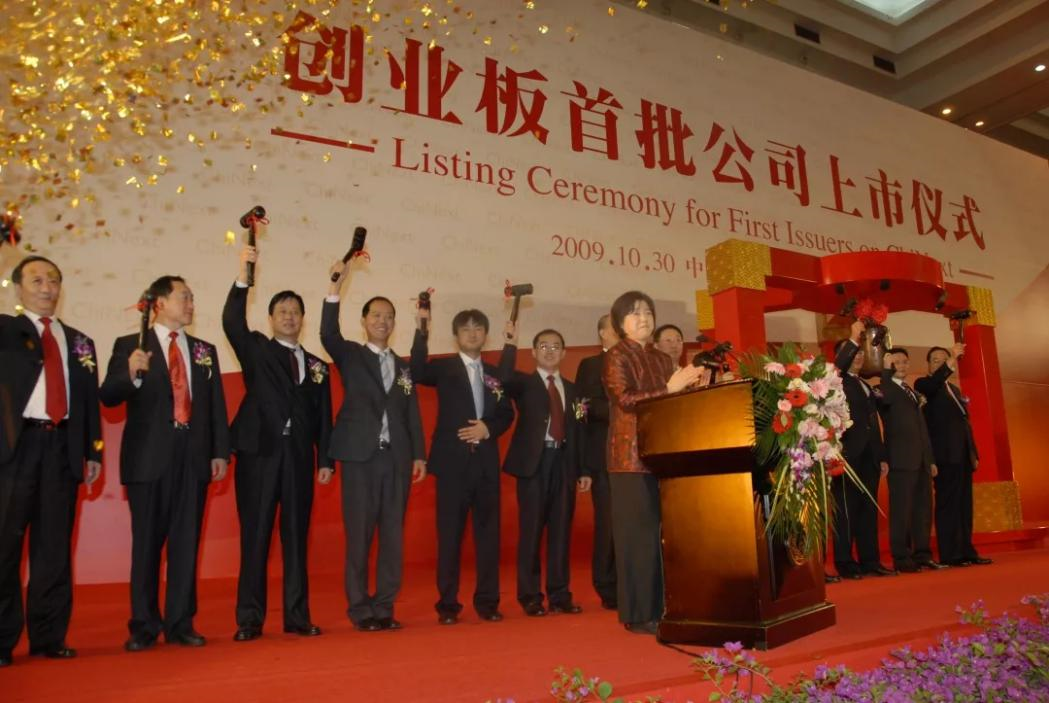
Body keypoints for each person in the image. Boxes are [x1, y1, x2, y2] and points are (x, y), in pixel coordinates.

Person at [100, 275, 230, 651]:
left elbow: (215, 405)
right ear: (159, 303)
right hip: (148, 459)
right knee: (146, 545)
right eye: (184, 297)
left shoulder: (204, 350)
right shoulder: (131, 345)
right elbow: (108, 396)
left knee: (186, 543)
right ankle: (143, 625)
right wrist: (130, 372)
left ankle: (180, 622)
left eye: (192, 297)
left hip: (193, 455)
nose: (191, 304)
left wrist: (220, 451)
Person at [222, 245, 333, 642]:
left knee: (296, 538)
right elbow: (231, 320)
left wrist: (325, 459)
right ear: (270, 318)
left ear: (303, 319)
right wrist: (244, 276)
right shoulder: (256, 349)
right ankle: (249, 620)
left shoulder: (317, 366)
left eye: (295, 311)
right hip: (260, 455)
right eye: (282, 311)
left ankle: (297, 617)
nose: (289, 316)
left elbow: (324, 416)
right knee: (255, 536)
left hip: (299, 458)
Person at [0, 256, 102, 668]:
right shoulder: (5, 330)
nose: (47, 288)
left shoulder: (80, 342)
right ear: (17, 288)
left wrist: (93, 450)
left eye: (54, 280)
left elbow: (89, 402)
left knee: (54, 548)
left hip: (63, 448)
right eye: (37, 280)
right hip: (15, 449)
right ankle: (2, 640)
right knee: (5, 546)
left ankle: (49, 636)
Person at [323, 259, 426, 632]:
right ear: (364, 321)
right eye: (376, 315)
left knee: (393, 536)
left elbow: (411, 412)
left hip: (396, 459)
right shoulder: (351, 355)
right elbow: (328, 333)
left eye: (389, 317)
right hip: (360, 458)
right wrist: (335, 288)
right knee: (360, 535)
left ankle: (384, 606)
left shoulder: (403, 367)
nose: (383, 321)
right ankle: (359, 608)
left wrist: (419, 455)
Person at [603, 291, 704, 634]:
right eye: (634, 313)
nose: (643, 318)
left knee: (664, 538)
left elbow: (673, 402)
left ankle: (665, 606)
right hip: (630, 460)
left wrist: (693, 388)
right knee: (638, 539)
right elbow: (626, 400)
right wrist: (671, 389)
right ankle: (638, 614)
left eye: (648, 312)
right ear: (620, 323)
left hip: (663, 457)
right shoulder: (616, 356)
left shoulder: (661, 358)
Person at [410, 306, 514, 625]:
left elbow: (506, 413)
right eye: (466, 329)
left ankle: (488, 602)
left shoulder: (495, 374)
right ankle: (447, 605)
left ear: (486, 335)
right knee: (450, 537)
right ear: (456, 335)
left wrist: (488, 428)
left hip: (485, 465)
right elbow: (416, 371)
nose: (472, 333)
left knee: (488, 537)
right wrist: (422, 330)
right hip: (452, 465)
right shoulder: (444, 368)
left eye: (478, 328)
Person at [498, 322, 591, 617]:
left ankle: (560, 595)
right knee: (531, 531)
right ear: (534, 352)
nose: (550, 351)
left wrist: (584, 470)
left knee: (561, 531)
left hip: (564, 462)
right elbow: (501, 378)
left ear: (563, 353)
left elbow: (580, 430)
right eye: (543, 346)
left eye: (555, 347)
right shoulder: (524, 384)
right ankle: (530, 597)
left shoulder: (575, 390)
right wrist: (510, 344)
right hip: (534, 465)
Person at [914, 344, 992, 567]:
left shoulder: (954, 390)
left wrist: (973, 453)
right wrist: (950, 362)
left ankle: (967, 551)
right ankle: (951, 554)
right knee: (947, 505)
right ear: (928, 365)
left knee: (964, 505)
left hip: (962, 456)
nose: (940, 364)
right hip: (944, 456)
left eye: (944, 360)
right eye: (936, 361)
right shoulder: (924, 385)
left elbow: (965, 424)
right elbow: (933, 385)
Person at [832, 321, 894, 579]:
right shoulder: (836, 380)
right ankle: (845, 563)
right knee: (846, 511)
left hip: (869, 456)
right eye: (853, 353)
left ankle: (870, 561)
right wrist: (854, 337)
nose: (858, 357)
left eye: (860, 353)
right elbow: (839, 365)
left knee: (868, 510)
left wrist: (881, 456)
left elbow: (873, 423)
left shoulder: (865, 385)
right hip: (846, 456)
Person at [876, 348, 945, 574]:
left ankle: (923, 554)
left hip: (921, 460)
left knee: (923, 511)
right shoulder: (884, 388)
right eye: (896, 362)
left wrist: (930, 459)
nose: (902, 366)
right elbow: (885, 397)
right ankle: (901, 557)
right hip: (900, 460)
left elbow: (922, 429)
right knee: (901, 511)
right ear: (889, 366)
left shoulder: (911, 391)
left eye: (904, 362)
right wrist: (885, 372)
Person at [573, 315, 619, 609]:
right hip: (603, 455)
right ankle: (607, 585)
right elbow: (582, 408)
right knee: (608, 524)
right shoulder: (590, 365)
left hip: (637, 455)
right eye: (614, 326)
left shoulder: (637, 362)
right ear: (602, 332)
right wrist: (623, 408)